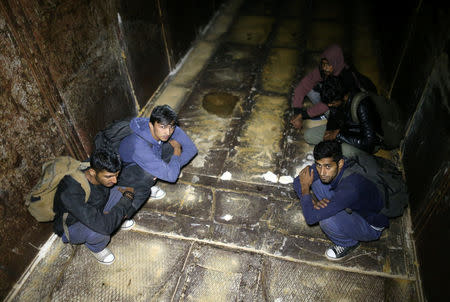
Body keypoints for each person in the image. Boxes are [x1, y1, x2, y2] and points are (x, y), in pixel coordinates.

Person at [293, 140, 389, 260]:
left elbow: (311, 218)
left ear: (340, 163)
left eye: (328, 166)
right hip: (352, 201)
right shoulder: (334, 159)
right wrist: (314, 203)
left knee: (326, 220)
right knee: (315, 180)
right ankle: (331, 207)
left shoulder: (350, 189)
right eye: (318, 165)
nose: (322, 172)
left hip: (369, 225)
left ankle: (348, 243)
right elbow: (298, 181)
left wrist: (306, 189)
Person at [53, 149, 135, 265]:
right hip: (72, 225)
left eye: (116, 175)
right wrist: (126, 201)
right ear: (92, 172)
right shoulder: (71, 191)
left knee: (123, 190)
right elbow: (105, 227)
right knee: (101, 232)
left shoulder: (96, 166)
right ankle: (96, 247)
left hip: (94, 206)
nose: (115, 180)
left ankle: (114, 218)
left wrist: (124, 199)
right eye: (109, 176)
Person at [118, 104, 198, 216]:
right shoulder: (139, 145)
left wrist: (170, 167)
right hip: (124, 171)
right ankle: (123, 214)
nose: (168, 132)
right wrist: (177, 150)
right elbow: (172, 177)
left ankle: (160, 170)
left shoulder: (167, 125)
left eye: (172, 126)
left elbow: (192, 149)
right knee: (149, 175)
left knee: (169, 151)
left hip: (148, 156)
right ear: (151, 125)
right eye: (163, 127)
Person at [290, 44, 376, 129]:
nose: (325, 68)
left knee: (331, 113)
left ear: (335, 62)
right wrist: (297, 112)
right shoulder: (324, 69)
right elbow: (305, 83)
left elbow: (328, 103)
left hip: (343, 107)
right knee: (309, 88)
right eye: (323, 64)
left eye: (328, 65)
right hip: (331, 100)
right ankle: (323, 114)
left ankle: (327, 116)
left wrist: (303, 115)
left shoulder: (345, 78)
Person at [304, 75, 383, 157]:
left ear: (344, 97)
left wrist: (338, 135)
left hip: (364, 141)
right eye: (328, 103)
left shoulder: (362, 105)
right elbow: (333, 115)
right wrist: (329, 130)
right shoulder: (337, 100)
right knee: (309, 135)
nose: (330, 105)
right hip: (344, 130)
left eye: (332, 103)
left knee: (344, 150)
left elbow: (369, 143)